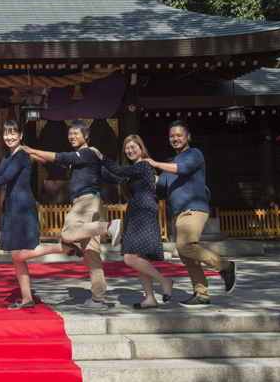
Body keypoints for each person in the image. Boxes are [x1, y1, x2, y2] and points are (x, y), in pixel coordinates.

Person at [0, 120, 72, 310]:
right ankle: (27, 298)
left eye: (13, 133)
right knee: (16, 257)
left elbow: (5, 179)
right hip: (11, 208)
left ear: (21, 135)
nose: (9, 137)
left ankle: (61, 247)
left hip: (22, 207)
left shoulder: (22, 155)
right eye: (6, 133)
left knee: (19, 254)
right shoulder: (8, 157)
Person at [20, 120, 121, 311]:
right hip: (93, 204)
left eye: (76, 133)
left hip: (86, 202)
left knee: (66, 234)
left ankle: (108, 227)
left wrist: (28, 148)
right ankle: (98, 300)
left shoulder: (86, 152)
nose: (72, 136)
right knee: (92, 256)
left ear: (86, 135)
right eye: (70, 134)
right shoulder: (79, 159)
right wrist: (30, 153)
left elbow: (58, 155)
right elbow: (50, 159)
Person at [142, 120, 237, 308]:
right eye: (172, 136)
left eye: (179, 135)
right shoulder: (171, 161)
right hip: (178, 213)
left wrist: (154, 162)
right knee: (187, 255)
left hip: (194, 208)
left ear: (188, 136)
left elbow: (184, 169)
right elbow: (161, 182)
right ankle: (201, 294)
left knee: (185, 246)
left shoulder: (194, 154)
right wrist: (141, 170)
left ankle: (225, 266)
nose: (175, 138)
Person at [90, 136, 174, 309]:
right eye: (127, 148)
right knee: (140, 257)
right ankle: (150, 298)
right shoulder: (132, 171)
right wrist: (94, 164)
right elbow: (112, 176)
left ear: (141, 147)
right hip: (135, 212)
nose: (130, 151)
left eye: (133, 147)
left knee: (130, 257)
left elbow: (119, 171)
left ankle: (165, 281)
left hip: (144, 212)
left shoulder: (144, 165)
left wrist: (101, 157)